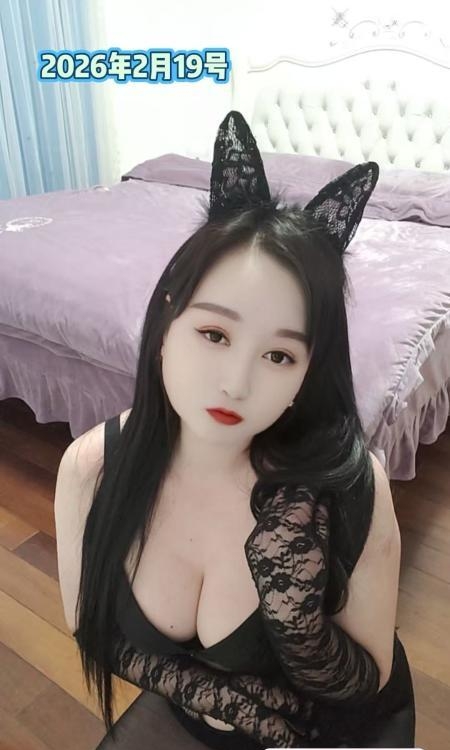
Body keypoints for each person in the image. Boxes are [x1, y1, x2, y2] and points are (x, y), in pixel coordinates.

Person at [54, 111, 416, 748]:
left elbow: (369, 684)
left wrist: (298, 625)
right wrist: (221, 699)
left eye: (279, 355)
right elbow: (92, 629)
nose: (236, 384)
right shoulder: (91, 469)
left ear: (308, 370)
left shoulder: (350, 484)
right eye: (214, 333)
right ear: (168, 320)